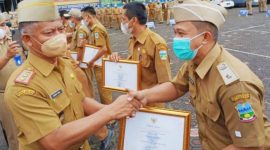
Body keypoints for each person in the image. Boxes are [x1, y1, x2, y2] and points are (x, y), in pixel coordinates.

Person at [128, 0, 270, 149]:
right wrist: (144, 96)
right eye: (175, 32)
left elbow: (248, 146)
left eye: (181, 33)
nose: (175, 39)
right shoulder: (195, 60)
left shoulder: (235, 86)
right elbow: (176, 87)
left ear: (205, 37)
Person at [4, 0, 141, 149]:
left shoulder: (64, 64)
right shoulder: (21, 87)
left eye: (60, 29)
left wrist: (116, 110)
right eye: (49, 32)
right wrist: (110, 112)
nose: (59, 37)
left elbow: (81, 101)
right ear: (27, 40)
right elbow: (54, 140)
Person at [110, 2, 172, 108]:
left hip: (151, 105)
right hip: (134, 101)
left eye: (123, 19)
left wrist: (145, 96)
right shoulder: (132, 40)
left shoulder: (157, 44)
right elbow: (134, 68)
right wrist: (118, 62)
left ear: (133, 20)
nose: (121, 23)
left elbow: (165, 83)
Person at [0, 12, 23, 150]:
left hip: (21, 90)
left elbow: (21, 61)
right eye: (1, 25)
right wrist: (7, 56)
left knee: (27, 129)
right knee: (14, 135)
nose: (5, 28)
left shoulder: (12, 40)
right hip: (4, 95)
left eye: (5, 24)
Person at [81, 6, 113, 105]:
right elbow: (96, 46)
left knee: (104, 90)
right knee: (103, 89)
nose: (83, 20)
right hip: (100, 63)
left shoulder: (97, 29)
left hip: (101, 64)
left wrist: (92, 61)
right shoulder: (94, 28)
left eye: (83, 17)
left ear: (88, 16)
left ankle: (110, 117)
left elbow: (103, 49)